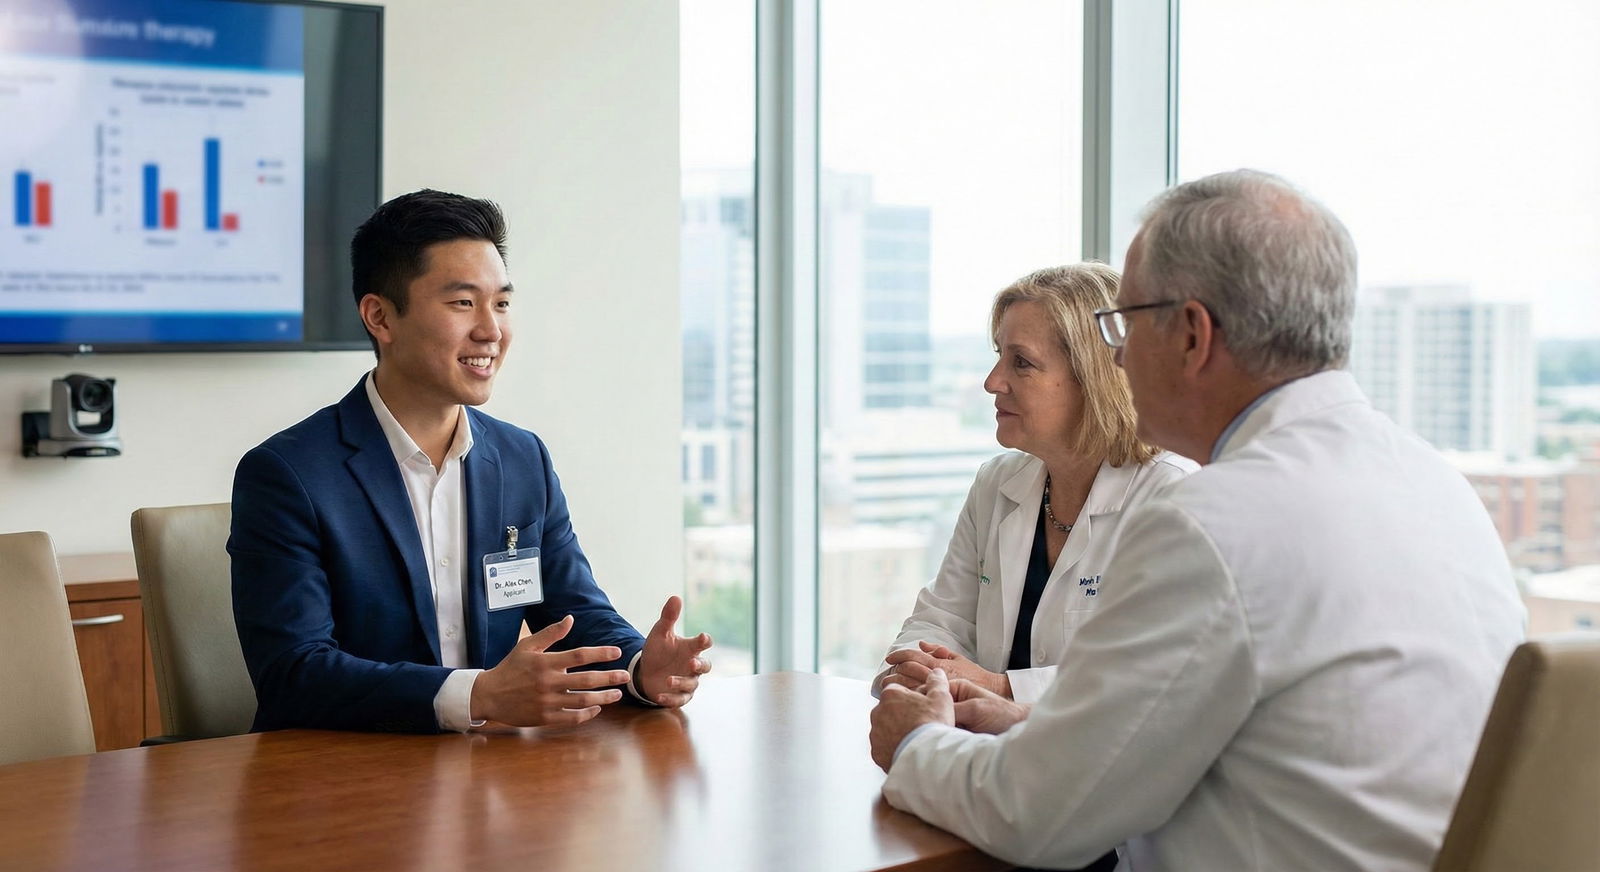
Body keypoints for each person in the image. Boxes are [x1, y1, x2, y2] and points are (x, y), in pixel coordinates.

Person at [868, 170, 1525, 871]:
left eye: (1124, 324)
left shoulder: (1216, 520)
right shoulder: (1430, 481)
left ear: (1190, 334)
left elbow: (1034, 814)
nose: (1117, 355)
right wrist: (1028, 719)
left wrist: (917, 741)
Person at [230, 189, 712, 733]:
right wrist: (476, 695)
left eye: (501, 303)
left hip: (489, 775)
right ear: (380, 317)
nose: (491, 330)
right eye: (463, 303)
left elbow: (575, 613)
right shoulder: (288, 474)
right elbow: (294, 674)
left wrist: (642, 669)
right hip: (343, 779)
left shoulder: (521, 458)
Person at [873, 264, 1194, 705]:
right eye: (998, 355)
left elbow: (1155, 676)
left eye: (1021, 362)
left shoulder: (1173, 496)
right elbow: (940, 620)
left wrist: (999, 688)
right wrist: (913, 670)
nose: (992, 382)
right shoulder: (997, 483)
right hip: (989, 757)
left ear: (1096, 377)